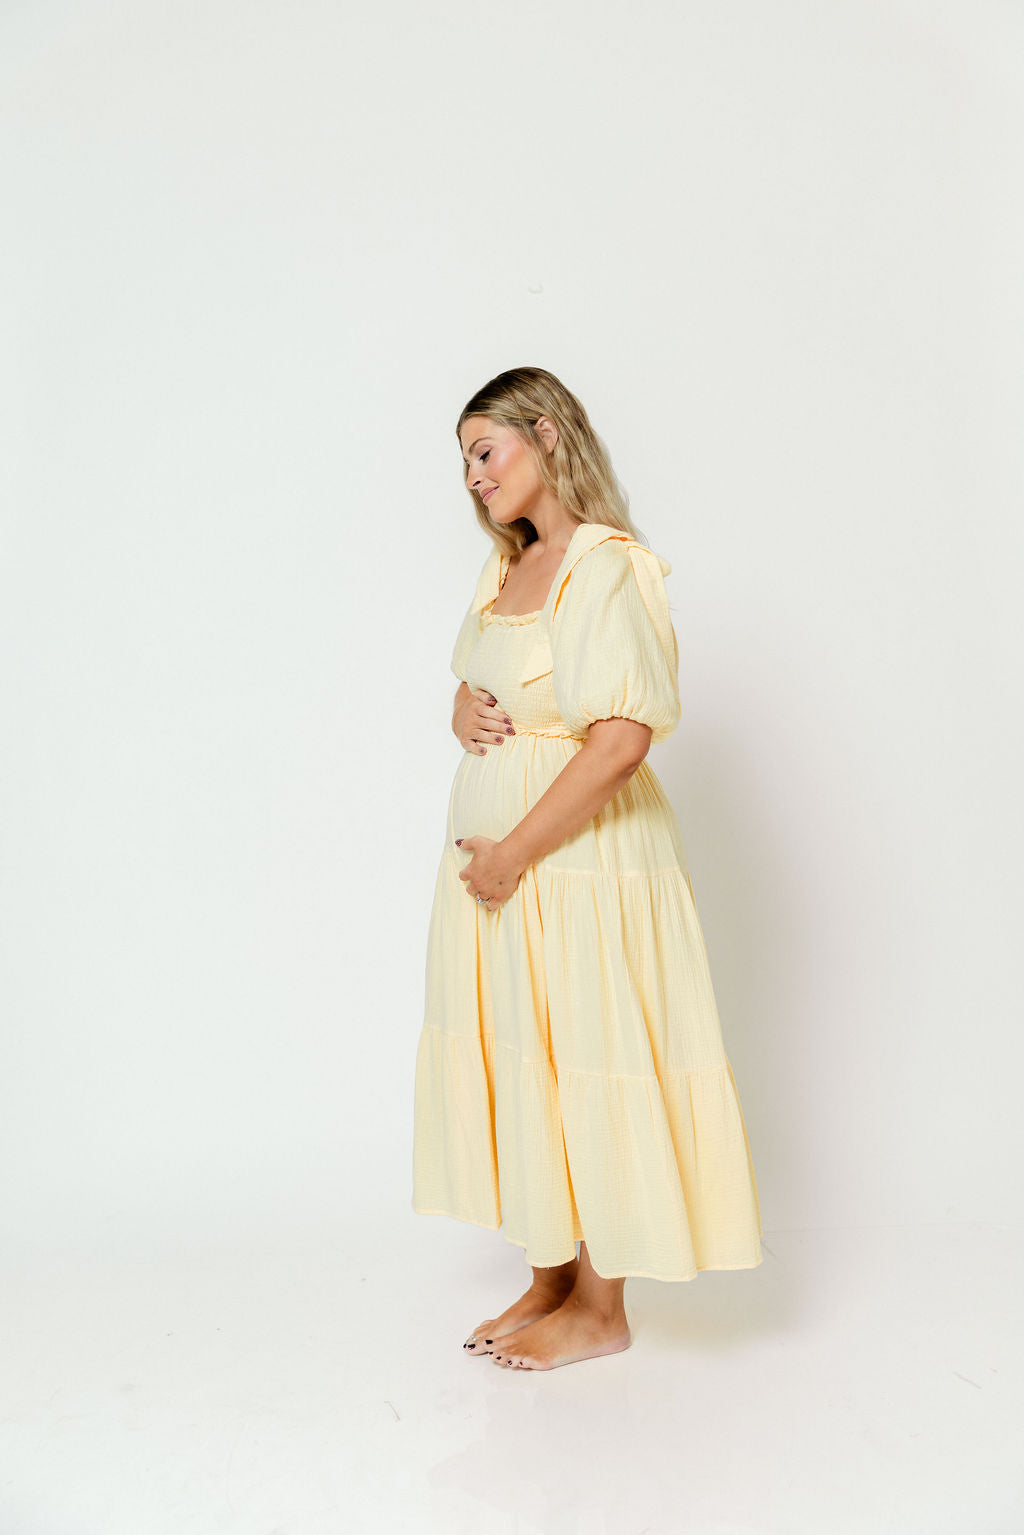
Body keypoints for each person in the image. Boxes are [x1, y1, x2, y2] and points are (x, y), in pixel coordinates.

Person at [411, 366, 763, 1372]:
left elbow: (618, 740)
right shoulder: (506, 568)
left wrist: (514, 852)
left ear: (548, 434)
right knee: (532, 1055)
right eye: (464, 461)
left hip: (579, 864)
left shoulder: (606, 565)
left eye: (486, 450)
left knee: (591, 1053)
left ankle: (602, 1307)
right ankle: (552, 1276)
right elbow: (486, 683)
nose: (474, 477)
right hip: (507, 879)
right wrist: (460, 709)